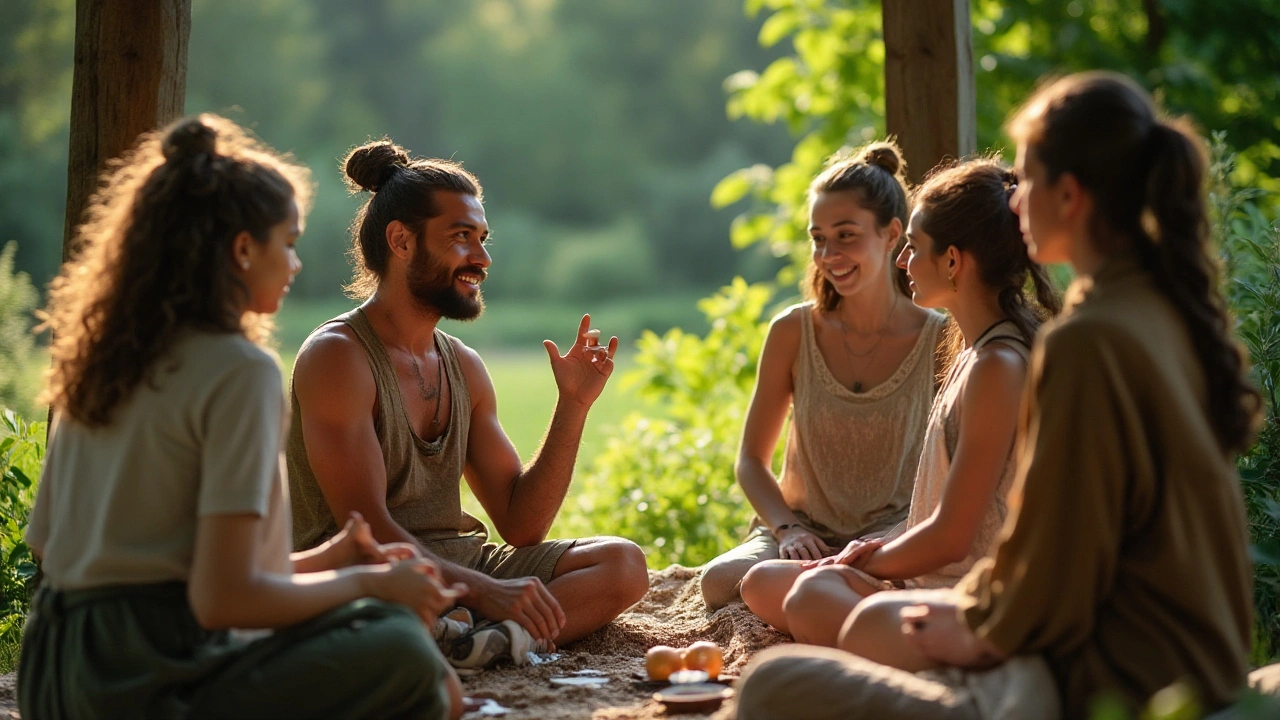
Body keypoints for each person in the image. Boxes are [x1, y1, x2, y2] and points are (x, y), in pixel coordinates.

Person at [735, 71, 1262, 719]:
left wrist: (978, 626)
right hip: (1159, 652)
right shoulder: (1156, 312)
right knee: (834, 611)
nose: (1016, 203)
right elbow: (1065, 550)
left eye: (1029, 180)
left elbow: (1059, 557)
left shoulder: (1083, 342)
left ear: (1069, 196)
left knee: (773, 684)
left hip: (1110, 674)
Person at [20, 114, 466, 720]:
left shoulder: (105, 359)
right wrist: (371, 584)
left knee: (379, 626)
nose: (296, 265)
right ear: (241, 249)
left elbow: (88, 557)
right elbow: (222, 598)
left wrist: (332, 560)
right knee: (400, 647)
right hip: (150, 678)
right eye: (289, 242)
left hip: (53, 672)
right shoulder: (238, 369)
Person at [287, 139, 649, 669]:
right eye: (461, 238)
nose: (481, 258)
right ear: (401, 241)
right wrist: (484, 592)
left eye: (482, 238)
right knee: (388, 619)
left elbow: (522, 526)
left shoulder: (464, 366)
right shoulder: (337, 358)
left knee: (624, 564)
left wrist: (572, 405)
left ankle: (483, 642)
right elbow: (367, 534)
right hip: (369, 579)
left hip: (461, 571)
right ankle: (471, 632)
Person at [739, 158, 1060, 648]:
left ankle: (923, 655)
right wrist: (865, 555)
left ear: (953, 261)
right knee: (764, 584)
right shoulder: (970, 347)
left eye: (913, 247)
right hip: (924, 575)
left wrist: (860, 558)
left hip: (966, 591)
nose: (904, 261)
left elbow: (953, 539)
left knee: (812, 596)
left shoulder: (998, 366)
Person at [699, 141, 948, 611]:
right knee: (719, 581)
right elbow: (751, 460)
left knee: (885, 584)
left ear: (892, 233)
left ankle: (819, 601)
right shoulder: (793, 331)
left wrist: (891, 539)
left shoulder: (939, 337)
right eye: (818, 238)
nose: (828, 253)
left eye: (846, 235)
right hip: (800, 536)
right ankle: (829, 602)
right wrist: (787, 529)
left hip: (892, 535)